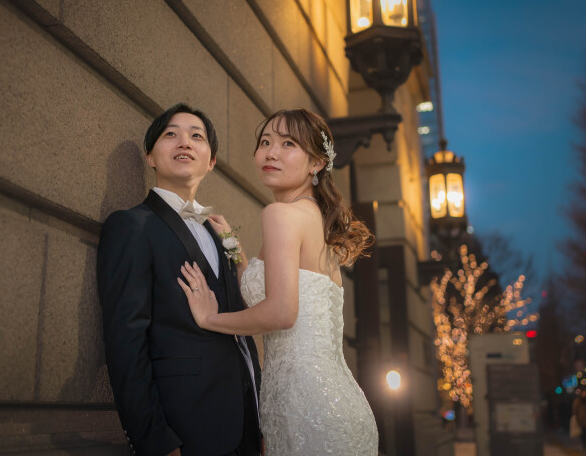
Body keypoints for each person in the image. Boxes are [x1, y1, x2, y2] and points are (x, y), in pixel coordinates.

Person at [178, 108, 379, 455]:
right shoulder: (314, 219)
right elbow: (273, 295)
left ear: (316, 163)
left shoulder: (281, 215)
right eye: (265, 142)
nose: (270, 152)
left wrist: (211, 319)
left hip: (307, 407)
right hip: (331, 403)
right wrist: (235, 251)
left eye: (288, 144)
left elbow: (281, 313)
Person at [96, 103, 261, 456]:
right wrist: (154, 440)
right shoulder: (131, 226)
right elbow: (125, 341)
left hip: (245, 425)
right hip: (186, 429)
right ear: (151, 157)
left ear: (211, 161)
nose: (184, 142)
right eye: (171, 134)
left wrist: (259, 417)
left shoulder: (221, 234)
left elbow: (241, 336)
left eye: (196, 136)